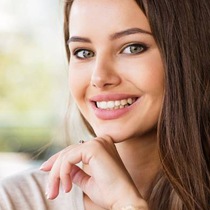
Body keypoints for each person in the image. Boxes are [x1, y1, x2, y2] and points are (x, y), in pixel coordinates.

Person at [0, 0, 209, 209]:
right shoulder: (14, 201)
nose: (99, 77)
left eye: (132, 48)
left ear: (189, 53)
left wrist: (127, 204)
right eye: (83, 52)